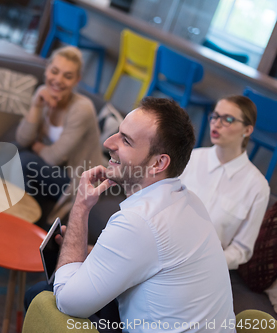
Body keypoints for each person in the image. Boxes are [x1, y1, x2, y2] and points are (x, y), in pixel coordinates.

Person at [47, 97, 235, 332]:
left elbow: (68, 302)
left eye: (126, 141)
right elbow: (151, 257)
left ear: (158, 163)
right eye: (118, 132)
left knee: (46, 297)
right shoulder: (189, 201)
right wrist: (86, 250)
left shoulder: (139, 221)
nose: (108, 142)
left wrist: (81, 207)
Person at [179, 96, 270, 270]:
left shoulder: (257, 187)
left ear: (247, 130)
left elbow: (241, 249)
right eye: (215, 116)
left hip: (206, 267)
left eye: (228, 119)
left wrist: (208, 263)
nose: (217, 124)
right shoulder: (192, 158)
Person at [15, 46, 103, 220]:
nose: (58, 80)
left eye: (68, 76)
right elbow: (23, 139)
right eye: (54, 71)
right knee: (12, 150)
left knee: (24, 161)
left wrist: (36, 146)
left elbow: (55, 157)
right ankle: (18, 218)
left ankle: (24, 221)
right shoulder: (43, 94)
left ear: (77, 80)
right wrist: (36, 106)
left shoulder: (82, 109)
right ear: (47, 70)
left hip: (76, 180)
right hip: (51, 171)